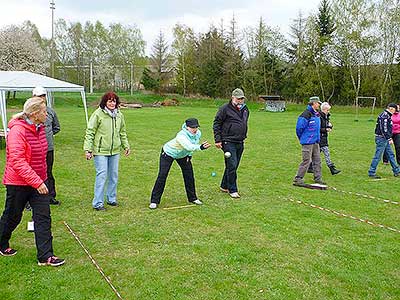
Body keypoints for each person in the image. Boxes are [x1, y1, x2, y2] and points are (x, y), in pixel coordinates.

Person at [0, 97, 65, 266]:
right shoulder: (18, 131)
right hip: (18, 183)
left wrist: (42, 179)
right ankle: (1, 242)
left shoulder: (40, 128)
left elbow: (42, 156)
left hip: (39, 182)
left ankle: (45, 256)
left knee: (43, 217)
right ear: (35, 114)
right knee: (12, 216)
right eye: (44, 111)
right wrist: (37, 182)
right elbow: (18, 161)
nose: (47, 114)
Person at [149, 118, 211, 209]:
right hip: (168, 153)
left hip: (183, 155)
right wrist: (200, 147)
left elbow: (194, 143)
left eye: (196, 127)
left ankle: (193, 198)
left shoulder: (198, 133)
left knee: (189, 175)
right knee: (162, 176)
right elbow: (188, 146)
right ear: (186, 127)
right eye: (192, 127)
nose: (195, 129)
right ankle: (154, 201)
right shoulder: (181, 135)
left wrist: (189, 156)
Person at [84, 92, 130, 211]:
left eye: (114, 101)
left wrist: (126, 146)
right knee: (102, 175)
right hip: (100, 151)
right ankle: (98, 203)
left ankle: (111, 198)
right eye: (109, 101)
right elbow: (90, 132)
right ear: (105, 102)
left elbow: (122, 132)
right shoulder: (98, 114)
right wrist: (88, 149)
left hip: (115, 151)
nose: (112, 103)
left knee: (113, 175)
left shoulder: (119, 115)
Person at [213, 88, 250, 198]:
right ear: (232, 97)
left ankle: (224, 185)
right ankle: (232, 189)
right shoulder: (225, 108)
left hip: (240, 140)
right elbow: (217, 123)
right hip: (228, 141)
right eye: (238, 98)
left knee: (233, 165)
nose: (240, 100)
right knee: (232, 165)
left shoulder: (245, 109)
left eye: (242, 98)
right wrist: (218, 140)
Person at [32, 86, 61, 205]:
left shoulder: (51, 112)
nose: (42, 98)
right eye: (39, 96)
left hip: (48, 148)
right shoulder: (29, 114)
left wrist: (47, 137)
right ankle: (30, 199)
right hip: (34, 149)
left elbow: (56, 127)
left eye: (43, 96)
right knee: (33, 172)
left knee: (48, 171)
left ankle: (50, 196)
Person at [293, 96, 325, 186]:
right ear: (314, 103)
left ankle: (318, 178)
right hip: (307, 142)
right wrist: (303, 138)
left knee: (317, 160)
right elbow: (299, 128)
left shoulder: (317, 113)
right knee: (306, 160)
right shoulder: (306, 114)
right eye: (318, 103)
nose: (319, 105)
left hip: (315, 141)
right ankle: (298, 178)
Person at [368, 103, 400, 178]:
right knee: (378, 156)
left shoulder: (387, 115)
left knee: (391, 154)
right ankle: (371, 172)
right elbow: (384, 129)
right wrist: (389, 138)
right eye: (395, 110)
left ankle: (396, 171)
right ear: (391, 109)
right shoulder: (384, 116)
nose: (395, 112)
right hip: (382, 139)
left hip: (384, 138)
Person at [319, 102, 341, 175]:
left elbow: (328, 124)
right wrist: (325, 129)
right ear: (323, 109)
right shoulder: (319, 117)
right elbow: (318, 128)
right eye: (327, 110)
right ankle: (332, 168)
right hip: (320, 138)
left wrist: (330, 126)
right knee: (326, 153)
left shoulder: (326, 117)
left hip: (324, 137)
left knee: (316, 154)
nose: (328, 111)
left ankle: (310, 166)